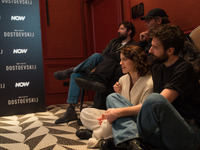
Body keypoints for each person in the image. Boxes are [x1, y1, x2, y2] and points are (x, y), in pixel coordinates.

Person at [102, 24, 200, 150]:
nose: (150, 50)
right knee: (113, 97)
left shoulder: (184, 69)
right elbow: (137, 59)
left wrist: (118, 112)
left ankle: (125, 139)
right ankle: (132, 141)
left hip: (186, 132)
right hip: (161, 129)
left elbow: (159, 103)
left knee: (155, 99)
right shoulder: (158, 66)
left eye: (155, 47)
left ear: (170, 51)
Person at [54, 21, 137, 124]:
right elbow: (103, 55)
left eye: (122, 29)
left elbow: (122, 59)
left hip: (113, 69)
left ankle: (71, 70)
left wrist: (111, 57)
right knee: (93, 59)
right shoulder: (113, 42)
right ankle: (71, 110)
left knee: (111, 57)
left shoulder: (133, 45)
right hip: (103, 66)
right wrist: (97, 67)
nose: (118, 31)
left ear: (129, 31)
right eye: (119, 28)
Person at [76, 45, 153, 149]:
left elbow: (144, 109)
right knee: (85, 113)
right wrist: (119, 93)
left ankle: (96, 135)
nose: (121, 63)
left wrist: (115, 114)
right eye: (120, 60)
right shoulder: (123, 79)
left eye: (124, 60)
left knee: (111, 105)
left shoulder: (149, 82)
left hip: (135, 120)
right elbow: (119, 105)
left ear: (136, 60)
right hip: (120, 119)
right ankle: (112, 135)